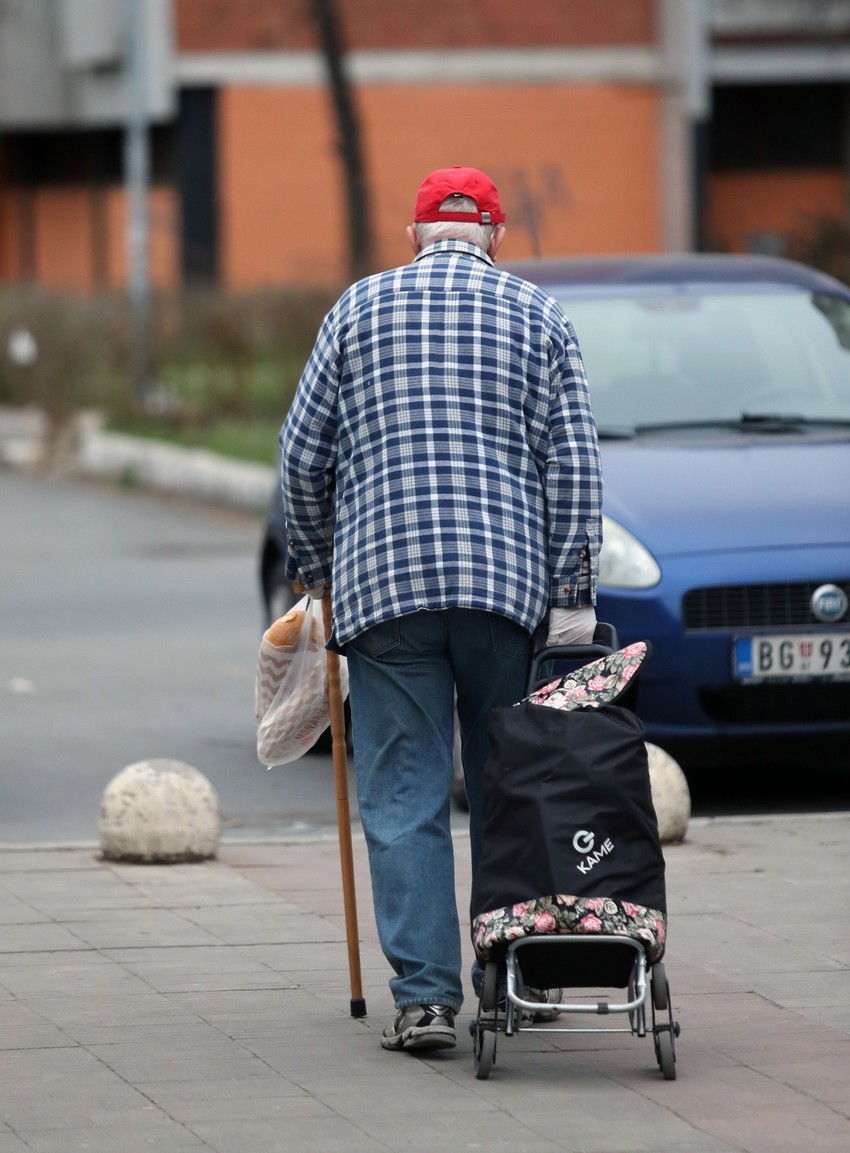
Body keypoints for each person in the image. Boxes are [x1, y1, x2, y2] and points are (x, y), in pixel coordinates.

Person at [280, 165, 603, 1053]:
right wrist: (572, 596)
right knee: (508, 785)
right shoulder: (538, 315)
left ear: (413, 233)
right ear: (497, 233)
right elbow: (572, 465)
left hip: (385, 591)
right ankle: (507, 975)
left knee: (404, 791)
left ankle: (425, 1000)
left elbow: (303, 456)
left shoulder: (355, 310)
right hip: (505, 591)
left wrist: (317, 567)